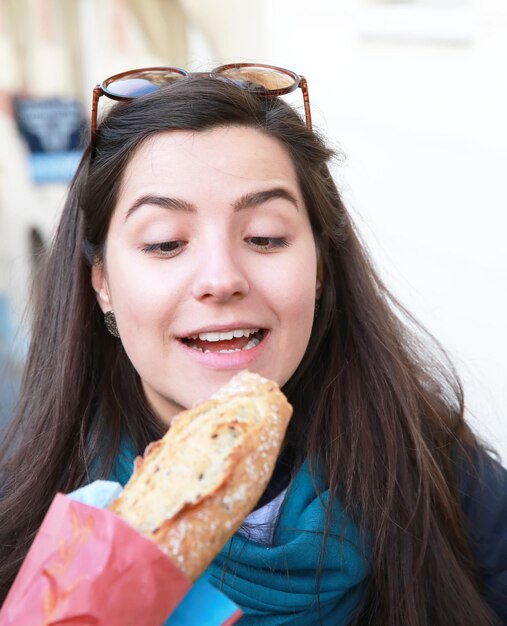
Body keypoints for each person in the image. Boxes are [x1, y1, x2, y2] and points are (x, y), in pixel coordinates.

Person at [0, 64, 506, 626]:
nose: (221, 278)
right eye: (166, 243)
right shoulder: (24, 517)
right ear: (102, 282)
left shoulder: (448, 481)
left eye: (265, 236)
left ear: (319, 267)